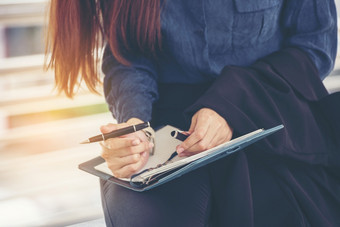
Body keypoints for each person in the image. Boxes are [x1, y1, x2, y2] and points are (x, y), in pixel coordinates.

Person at [46, 0, 340, 226]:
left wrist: (230, 105)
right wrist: (134, 122)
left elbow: (315, 46)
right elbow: (129, 56)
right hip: (164, 127)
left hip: (268, 109)